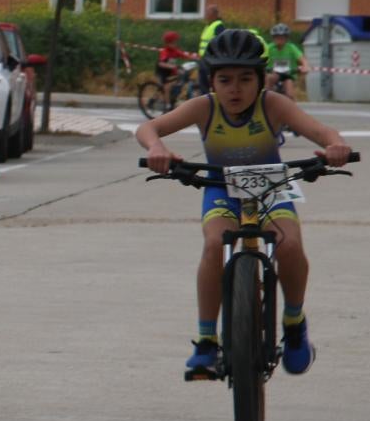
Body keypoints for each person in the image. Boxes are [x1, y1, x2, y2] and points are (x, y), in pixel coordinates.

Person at [133, 28, 352, 379]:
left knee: (290, 244)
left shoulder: (274, 104)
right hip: (221, 189)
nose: (235, 88)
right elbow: (148, 128)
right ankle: (206, 342)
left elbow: (322, 132)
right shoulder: (204, 107)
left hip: (271, 189)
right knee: (211, 245)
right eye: (225, 79)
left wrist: (335, 146)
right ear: (212, 81)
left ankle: (294, 324)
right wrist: (156, 148)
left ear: (261, 79)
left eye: (246, 79)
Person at [266, 22, 305, 98]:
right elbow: (261, 57)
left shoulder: (291, 48)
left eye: (282, 37)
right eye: (277, 37)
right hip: (274, 73)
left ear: (287, 38)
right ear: (273, 38)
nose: (280, 39)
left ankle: (290, 107)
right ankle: (266, 99)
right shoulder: (269, 48)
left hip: (288, 75)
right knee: (268, 79)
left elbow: (302, 58)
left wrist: (305, 66)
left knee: (290, 94)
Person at [156, 30, 191, 106]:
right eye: (174, 42)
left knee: (179, 79)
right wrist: (171, 66)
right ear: (168, 43)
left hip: (171, 71)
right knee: (167, 87)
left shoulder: (175, 51)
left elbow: (183, 55)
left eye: (176, 42)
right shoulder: (165, 52)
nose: (176, 44)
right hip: (163, 72)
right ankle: (168, 105)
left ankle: (173, 97)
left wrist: (193, 57)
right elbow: (161, 63)